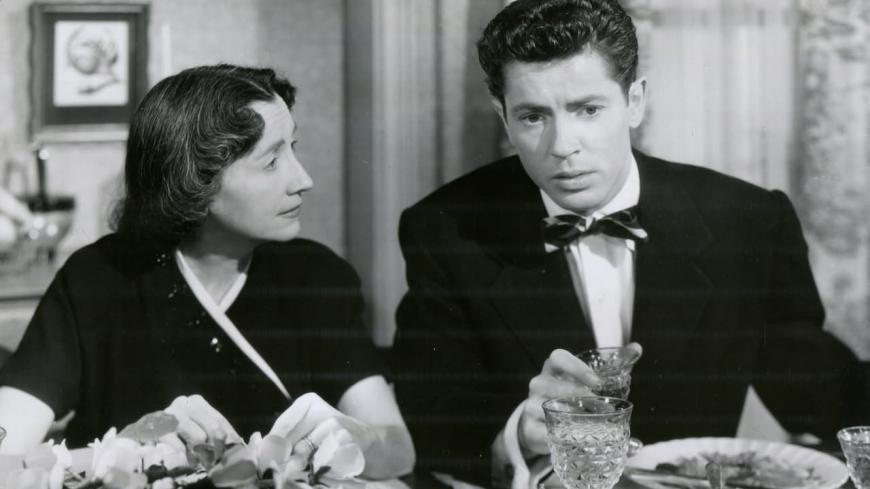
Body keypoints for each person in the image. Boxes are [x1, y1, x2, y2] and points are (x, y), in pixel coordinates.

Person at [392, 0, 867, 485]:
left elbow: (814, 387)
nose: (563, 146)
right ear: (503, 117)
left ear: (635, 101)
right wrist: (516, 431)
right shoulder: (444, 229)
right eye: (533, 117)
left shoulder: (748, 221)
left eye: (588, 109)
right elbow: (432, 417)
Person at [0, 64, 414, 479]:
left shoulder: (313, 277)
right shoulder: (96, 280)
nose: (303, 179)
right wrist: (129, 447)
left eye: (293, 148)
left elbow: (399, 450)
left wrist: (352, 437)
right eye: (272, 161)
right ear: (195, 181)